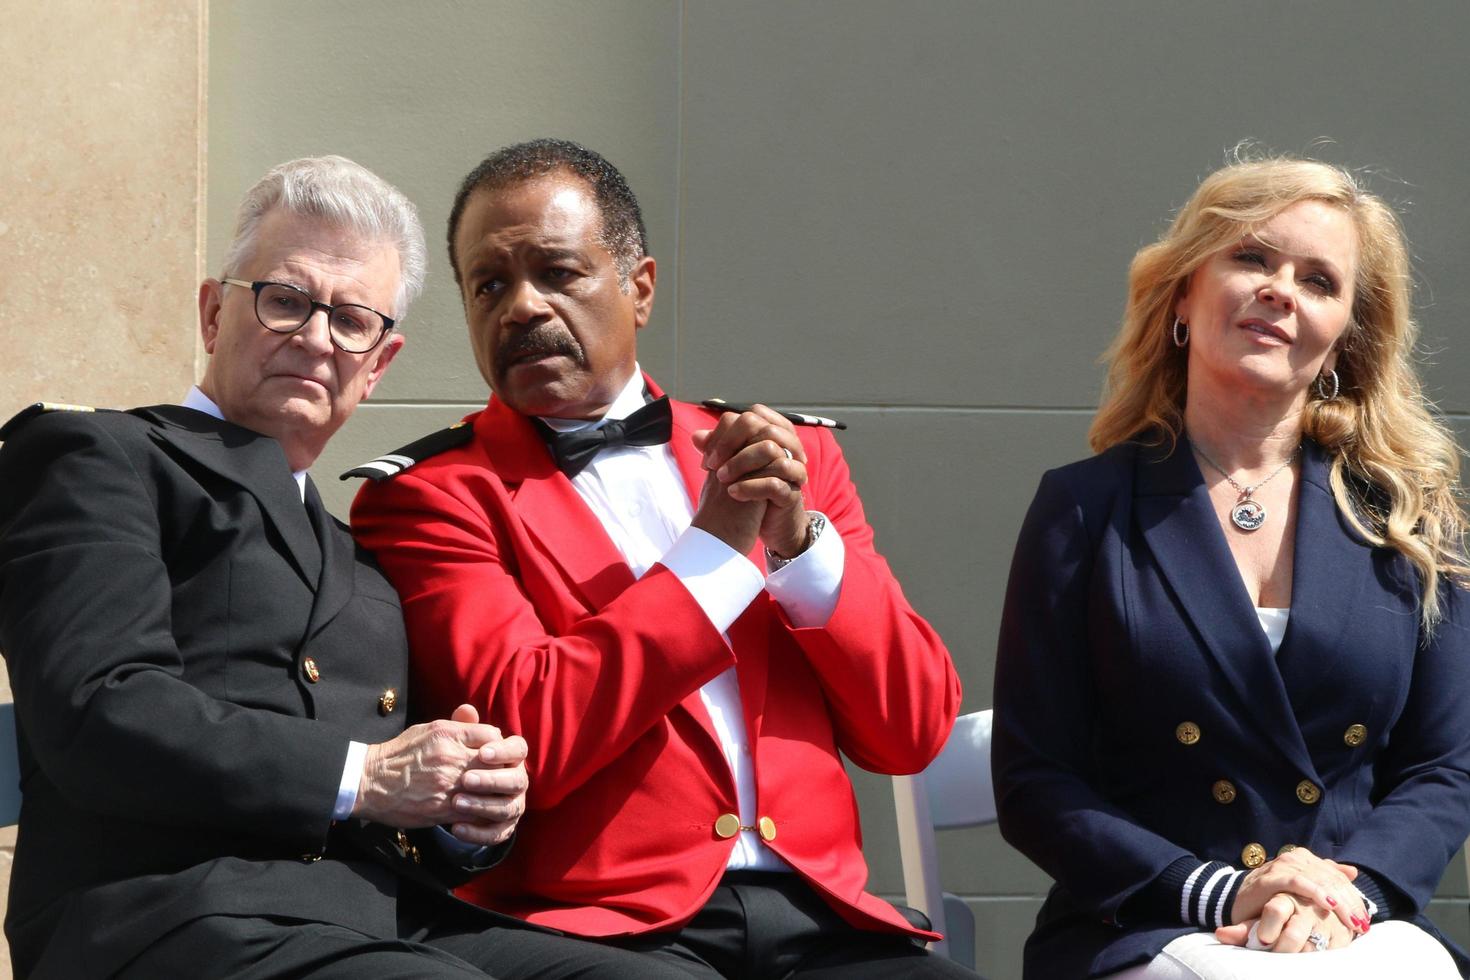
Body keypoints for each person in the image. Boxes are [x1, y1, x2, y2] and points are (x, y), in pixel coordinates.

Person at [348, 138, 976, 978]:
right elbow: (523, 734)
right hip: (594, 931)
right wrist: (717, 551)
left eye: (558, 272)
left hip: (824, 917)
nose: (522, 308)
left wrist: (801, 545)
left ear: (639, 288)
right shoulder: (431, 494)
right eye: (488, 286)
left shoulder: (796, 459)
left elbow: (912, 731)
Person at [0, 156, 550, 979]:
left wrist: (464, 809)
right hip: (167, 917)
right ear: (214, 313)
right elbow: (97, 708)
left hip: (380, 924)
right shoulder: (101, 456)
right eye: (286, 301)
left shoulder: (360, 558)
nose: (316, 338)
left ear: (380, 362)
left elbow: (403, 792)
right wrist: (365, 774)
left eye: (351, 319)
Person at [991, 155, 1470, 979]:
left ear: (1344, 340)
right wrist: (1219, 892)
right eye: (1252, 258)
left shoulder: (1411, 515)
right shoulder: (1084, 508)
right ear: (1183, 295)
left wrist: (1340, 895)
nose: (1282, 289)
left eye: (1319, 280)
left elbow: (1444, 765)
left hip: (1355, 919)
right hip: (1152, 922)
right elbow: (1038, 778)